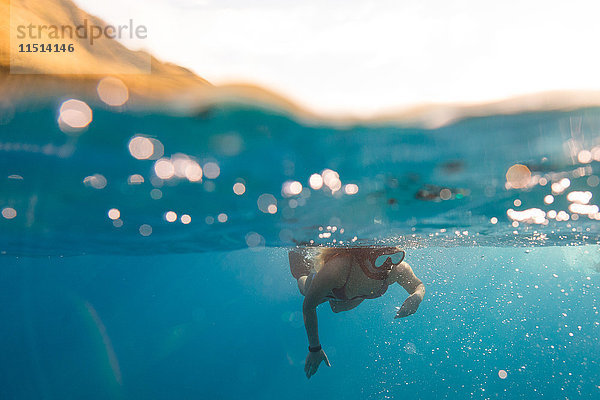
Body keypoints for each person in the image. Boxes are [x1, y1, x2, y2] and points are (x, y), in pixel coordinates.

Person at [289, 246, 425, 379]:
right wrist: (315, 349)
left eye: (395, 257)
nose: (388, 266)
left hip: (355, 294)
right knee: (305, 290)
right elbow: (309, 306)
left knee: (337, 308)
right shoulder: (337, 268)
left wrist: (417, 297)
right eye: (380, 260)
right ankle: (302, 270)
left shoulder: (397, 269)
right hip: (334, 289)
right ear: (365, 258)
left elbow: (418, 285)